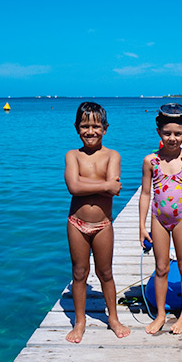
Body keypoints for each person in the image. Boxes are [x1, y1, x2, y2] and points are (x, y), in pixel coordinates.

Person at [64, 102, 130, 343]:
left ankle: (112, 317)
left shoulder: (113, 155)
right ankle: (79, 321)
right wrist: (104, 185)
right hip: (77, 223)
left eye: (95, 126)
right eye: (84, 126)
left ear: (105, 128)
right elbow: (73, 187)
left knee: (106, 272)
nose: (90, 131)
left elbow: (113, 192)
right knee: (79, 273)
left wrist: (89, 186)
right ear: (76, 128)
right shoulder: (72, 155)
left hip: (103, 224)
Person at [139, 103, 182, 335]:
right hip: (158, 219)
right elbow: (146, 193)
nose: (172, 138)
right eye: (167, 133)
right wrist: (141, 225)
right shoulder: (151, 161)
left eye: (177, 133)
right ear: (159, 133)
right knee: (161, 267)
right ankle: (161, 315)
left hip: (181, 219)